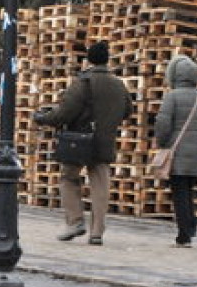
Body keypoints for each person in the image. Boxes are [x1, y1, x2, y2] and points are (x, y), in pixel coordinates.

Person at [35, 40, 132, 244]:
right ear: (107, 60)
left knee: (68, 178)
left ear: (89, 60)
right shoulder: (118, 85)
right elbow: (127, 111)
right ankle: (97, 232)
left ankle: (75, 221)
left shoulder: (83, 83)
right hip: (104, 141)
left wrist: (43, 118)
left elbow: (64, 113)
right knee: (100, 185)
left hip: (78, 141)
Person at [154, 54, 197, 247]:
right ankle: (190, 226)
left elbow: (163, 125)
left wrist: (162, 143)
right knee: (188, 191)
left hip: (177, 154)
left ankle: (185, 234)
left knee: (180, 193)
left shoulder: (171, 97)